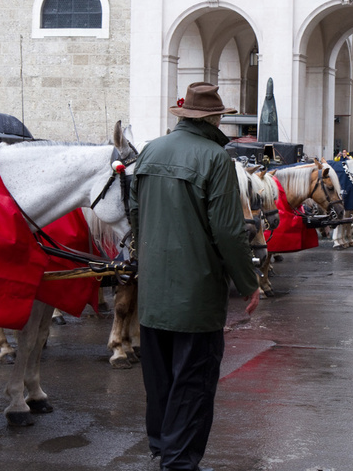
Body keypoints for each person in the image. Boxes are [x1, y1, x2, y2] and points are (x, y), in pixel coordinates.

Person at [130, 82, 261, 471]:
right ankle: (179, 460)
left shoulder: (152, 150)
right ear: (215, 117)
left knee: (159, 378)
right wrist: (248, 281)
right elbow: (226, 230)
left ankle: (161, 447)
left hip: (153, 289)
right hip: (196, 293)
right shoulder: (215, 158)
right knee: (193, 379)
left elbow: (135, 214)